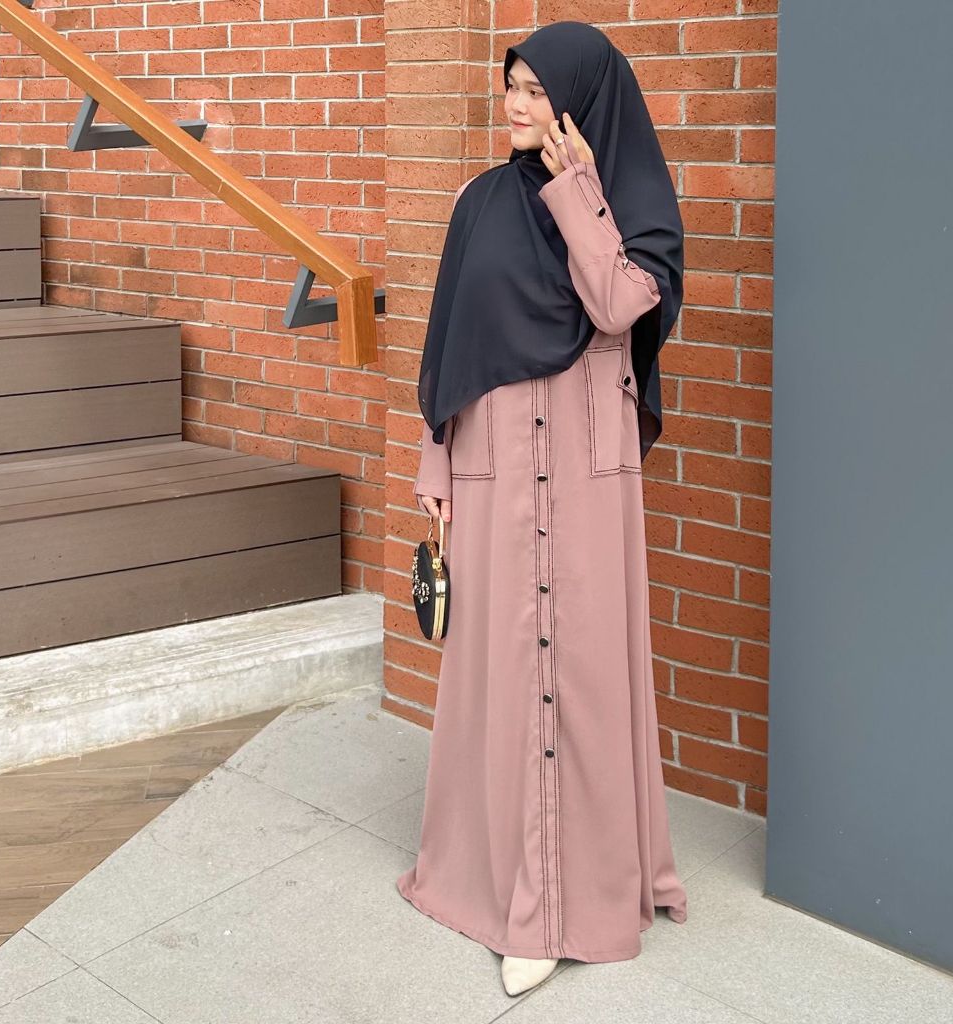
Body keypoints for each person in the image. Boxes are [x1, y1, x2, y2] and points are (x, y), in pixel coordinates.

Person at [398, 20, 688, 997]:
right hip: (491, 464)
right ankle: (501, 880)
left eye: (535, 90)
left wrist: (576, 193)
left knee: (581, 673)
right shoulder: (479, 202)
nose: (515, 105)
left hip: (584, 467)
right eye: (510, 86)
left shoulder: (629, 204)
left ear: (581, 103)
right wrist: (435, 470)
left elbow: (617, 305)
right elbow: (447, 343)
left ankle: (564, 905)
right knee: (504, 670)